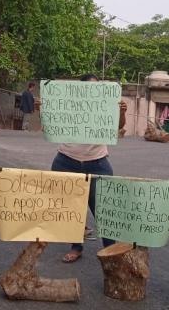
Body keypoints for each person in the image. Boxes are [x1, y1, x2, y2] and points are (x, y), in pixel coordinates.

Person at [45, 74, 127, 263]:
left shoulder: (106, 105)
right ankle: (76, 247)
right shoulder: (69, 104)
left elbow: (118, 126)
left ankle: (111, 251)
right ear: (80, 89)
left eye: (96, 87)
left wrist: (121, 112)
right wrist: (45, 109)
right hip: (66, 161)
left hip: (97, 162)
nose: (93, 90)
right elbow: (50, 125)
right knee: (73, 209)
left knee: (104, 209)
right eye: (89, 87)